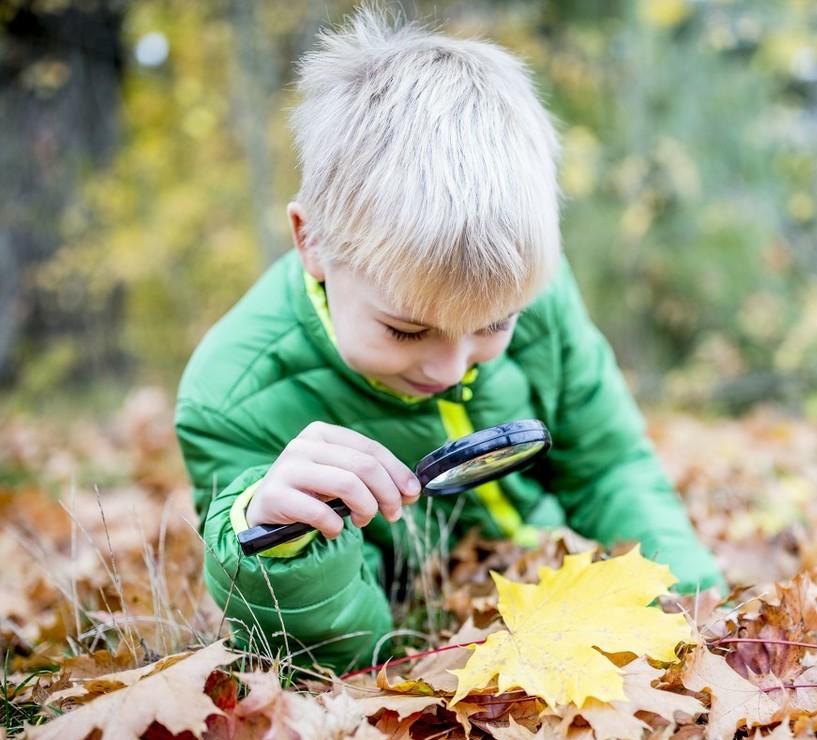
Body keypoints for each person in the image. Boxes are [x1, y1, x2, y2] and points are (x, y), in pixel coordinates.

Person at [175, 8, 725, 673]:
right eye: (406, 329)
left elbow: (608, 465)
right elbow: (334, 654)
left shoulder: (538, 294)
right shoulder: (233, 393)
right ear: (312, 241)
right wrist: (280, 545)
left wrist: (688, 593)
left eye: (495, 325)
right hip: (431, 643)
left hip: (553, 597)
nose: (450, 365)